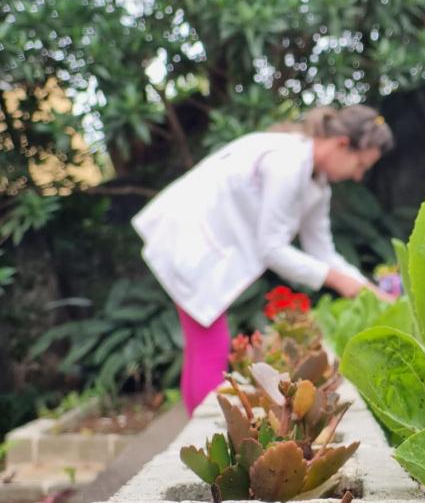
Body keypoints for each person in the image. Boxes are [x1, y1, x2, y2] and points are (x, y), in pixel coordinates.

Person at [132, 105, 394, 415]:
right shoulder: (288, 161)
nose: (358, 175)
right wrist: (337, 280)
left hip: (207, 249)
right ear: (341, 144)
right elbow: (272, 249)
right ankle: (205, 434)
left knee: (202, 345)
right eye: (360, 164)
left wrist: (366, 288)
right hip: (193, 241)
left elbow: (322, 250)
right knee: (211, 347)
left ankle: (198, 431)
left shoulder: (316, 183)